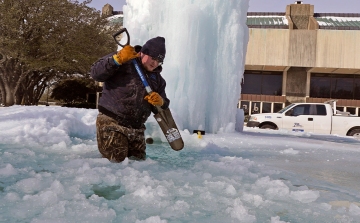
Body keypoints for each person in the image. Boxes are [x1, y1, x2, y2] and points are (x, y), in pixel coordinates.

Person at [90, 37, 170, 162]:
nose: (155, 63)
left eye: (159, 61)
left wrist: (161, 102)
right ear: (143, 52)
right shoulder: (124, 59)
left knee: (139, 166)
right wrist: (115, 60)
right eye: (153, 58)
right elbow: (96, 73)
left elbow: (162, 106)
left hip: (137, 129)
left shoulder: (158, 80)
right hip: (112, 123)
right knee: (116, 163)